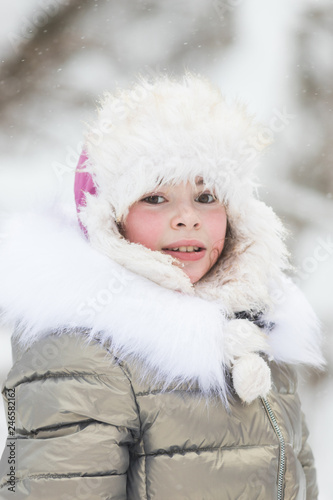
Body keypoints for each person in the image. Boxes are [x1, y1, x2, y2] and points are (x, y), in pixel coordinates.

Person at [0, 73, 325, 500]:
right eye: (155, 197)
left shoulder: (251, 335)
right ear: (109, 220)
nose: (187, 217)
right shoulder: (85, 354)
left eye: (206, 197)